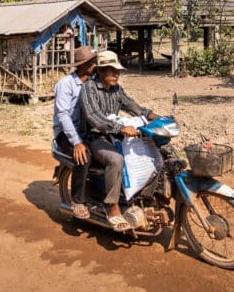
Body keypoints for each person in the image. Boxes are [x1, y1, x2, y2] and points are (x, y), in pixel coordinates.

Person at [78, 50, 159, 232]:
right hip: (94, 138)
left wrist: (158, 118)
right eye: (111, 70)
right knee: (116, 160)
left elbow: (134, 107)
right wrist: (120, 128)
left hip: (114, 136)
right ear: (99, 71)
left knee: (151, 152)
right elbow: (94, 118)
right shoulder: (89, 88)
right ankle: (112, 208)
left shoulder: (116, 89)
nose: (116, 74)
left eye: (118, 71)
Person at [52, 45, 97, 219]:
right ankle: (78, 201)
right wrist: (77, 142)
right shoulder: (66, 84)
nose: (96, 65)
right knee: (84, 157)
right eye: (93, 62)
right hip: (66, 133)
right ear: (84, 65)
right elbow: (63, 116)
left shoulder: (92, 84)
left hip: (86, 130)